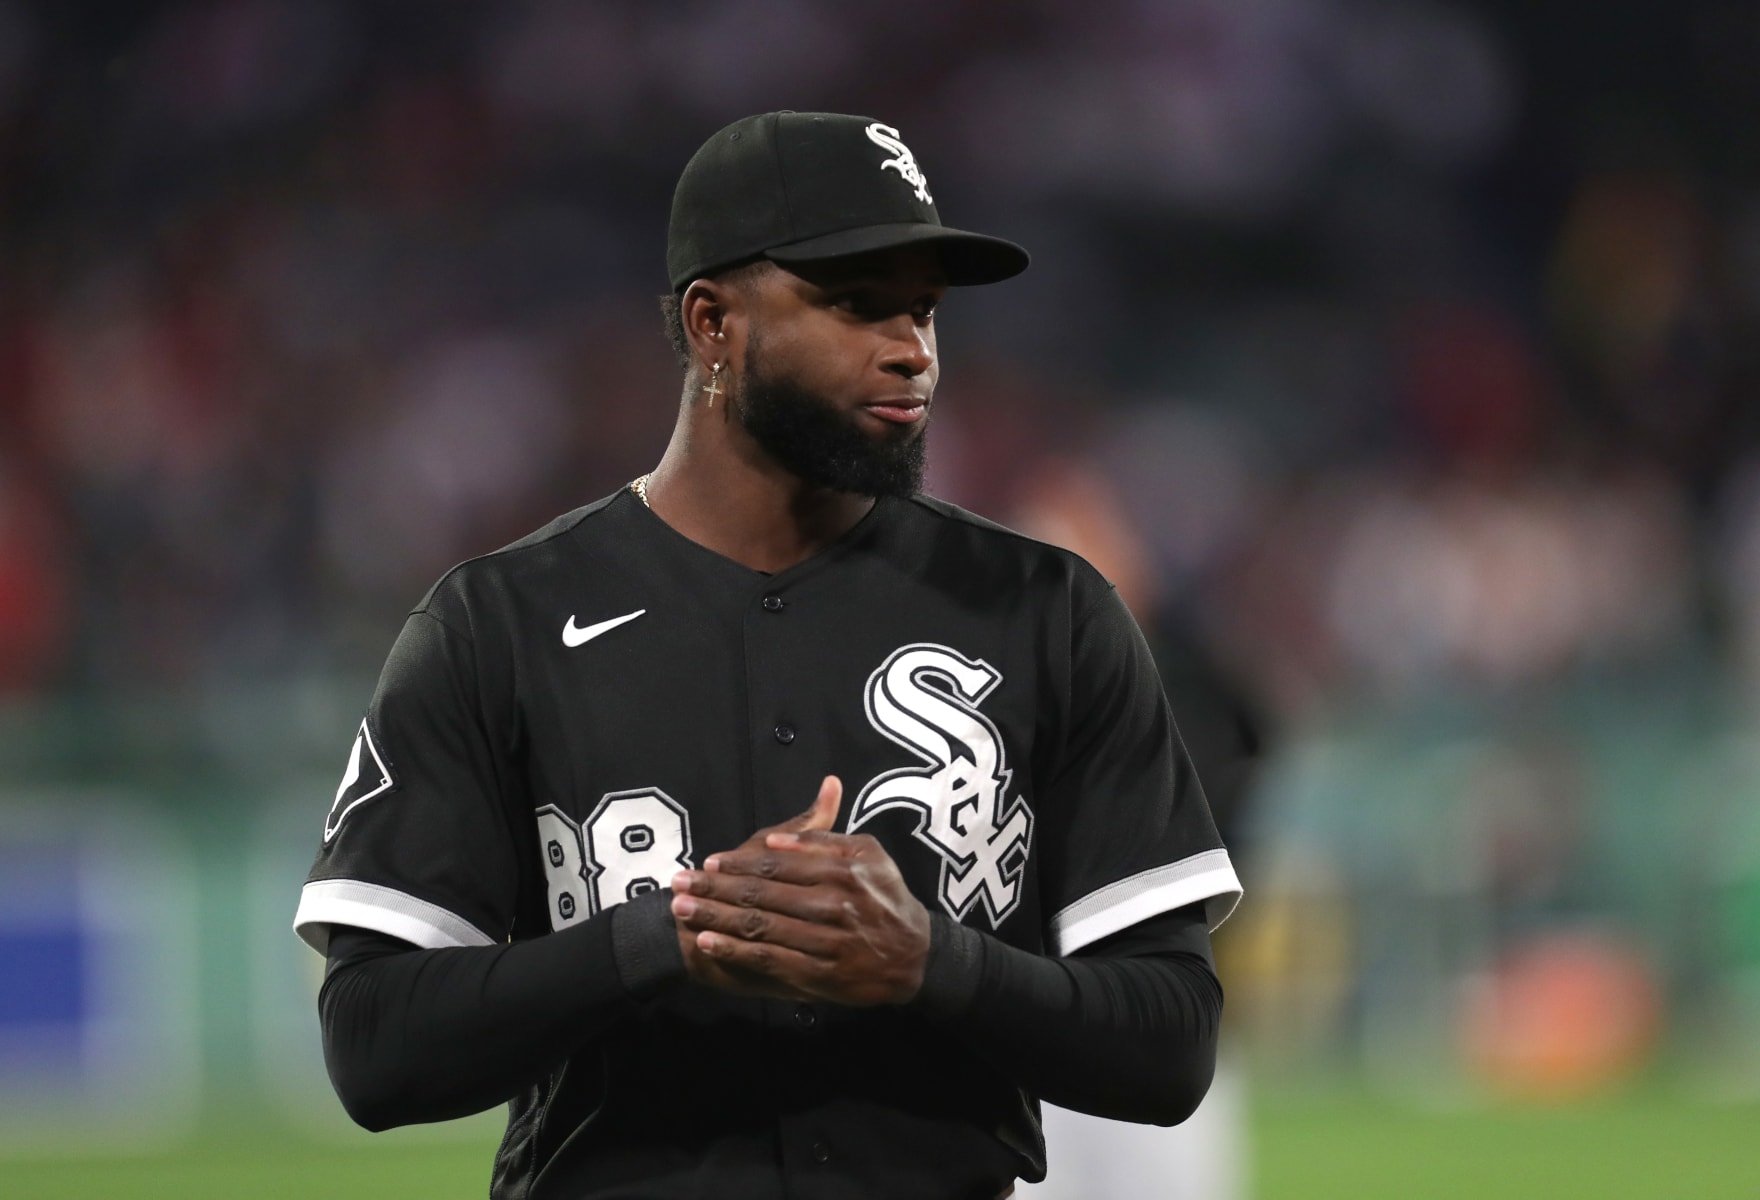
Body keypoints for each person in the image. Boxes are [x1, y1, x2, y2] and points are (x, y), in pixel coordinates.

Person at [293, 110, 1243, 1200]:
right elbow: (373, 1049)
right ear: (713, 323)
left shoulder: (1046, 609)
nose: (912, 350)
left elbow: (1172, 1047)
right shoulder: (498, 622)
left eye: (924, 308)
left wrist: (934, 963)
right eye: (856, 303)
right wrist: (663, 936)